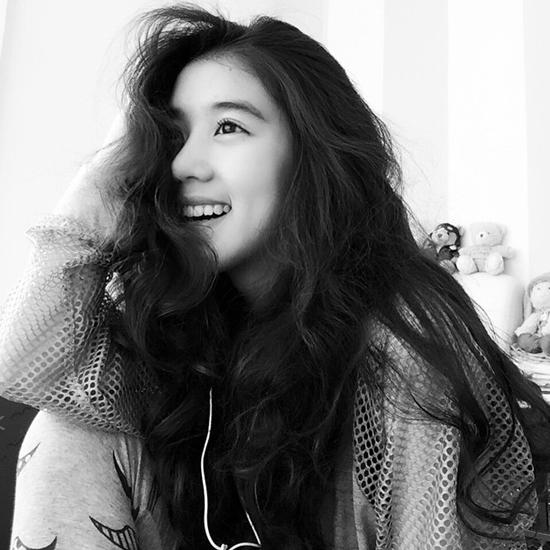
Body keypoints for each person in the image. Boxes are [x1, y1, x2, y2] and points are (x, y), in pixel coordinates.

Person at [1, 4, 549, 550]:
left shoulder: (403, 345)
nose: (184, 164)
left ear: (311, 153)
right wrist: (90, 195)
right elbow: (27, 369)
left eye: (228, 127)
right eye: (173, 136)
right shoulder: (193, 317)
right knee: (67, 428)